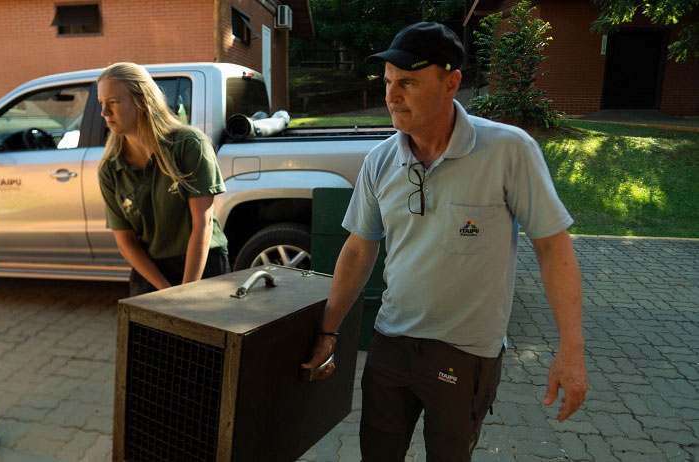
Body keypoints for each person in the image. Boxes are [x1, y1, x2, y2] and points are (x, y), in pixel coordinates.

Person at [301, 22, 588, 461]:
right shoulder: (381, 160)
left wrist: (571, 350)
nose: (392, 96)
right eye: (389, 83)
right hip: (391, 344)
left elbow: (552, 246)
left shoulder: (509, 150)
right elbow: (360, 248)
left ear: (452, 82)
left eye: (409, 83)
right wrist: (328, 329)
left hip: (465, 354)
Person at [96, 62, 230, 296]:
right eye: (102, 103)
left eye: (114, 102)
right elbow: (126, 241)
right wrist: (166, 291)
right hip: (151, 273)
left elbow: (203, 223)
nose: (104, 112)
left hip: (203, 263)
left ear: (142, 101)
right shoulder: (110, 168)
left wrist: (186, 293)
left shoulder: (189, 145)